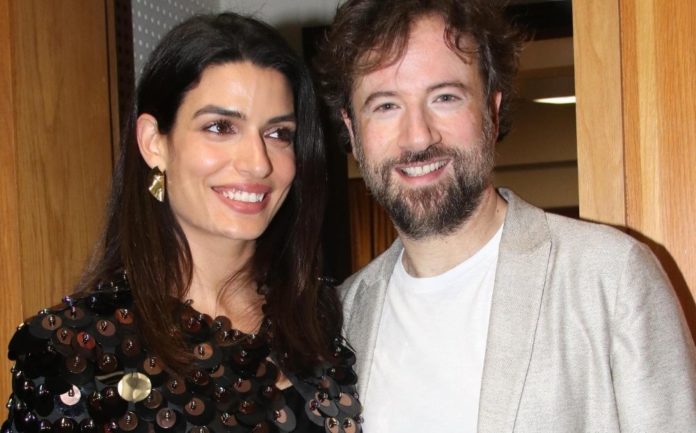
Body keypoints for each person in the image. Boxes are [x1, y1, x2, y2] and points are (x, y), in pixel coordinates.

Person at [316, 0, 696, 432]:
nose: (418, 136)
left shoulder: (611, 277)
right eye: (386, 105)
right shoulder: (343, 315)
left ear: (491, 113)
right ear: (352, 131)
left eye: (445, 97)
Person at [3, 13, 362, 433]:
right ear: (153, 143)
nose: (258, 162)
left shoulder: (328, 320)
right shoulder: (71, 355)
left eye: (278, 133)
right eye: (220, 127)